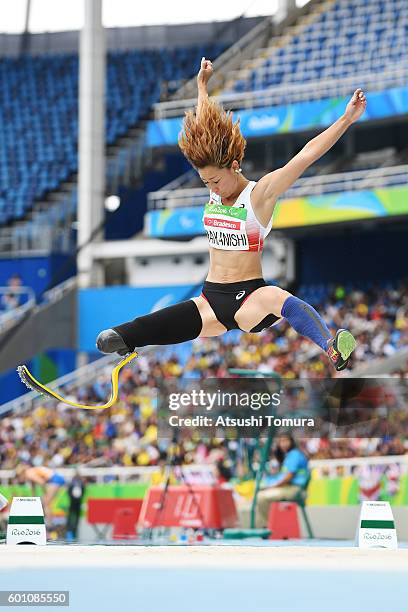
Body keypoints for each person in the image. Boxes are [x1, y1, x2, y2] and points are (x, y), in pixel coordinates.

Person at [96, 58, 367, 371]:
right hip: (210, 300)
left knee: (279, 299)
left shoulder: (259, 195)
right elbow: (205, 130)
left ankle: (331, 346)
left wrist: (346, 119)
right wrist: (201, 87)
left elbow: (306, 155)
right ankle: (127, 341)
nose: (211, 186)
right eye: (205, 181)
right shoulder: (215, 189)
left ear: (234, 166)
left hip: (249, 298)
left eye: (214, 179)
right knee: (118, 335)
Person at [255, 433, 310, 528]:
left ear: (292, 442)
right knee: (261, 492)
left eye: (285, 441)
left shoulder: (295, 454)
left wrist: (273, 486)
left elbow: (289, 476)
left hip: (295, 490)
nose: (283, 444)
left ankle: (269, 527)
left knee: (261, 497)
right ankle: (269, 526)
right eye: (281, 441)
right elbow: (282, 476)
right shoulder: (287, 456)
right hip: (287, 488)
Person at [66, 470, 85, 541]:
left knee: (75, 516)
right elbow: (69, 492)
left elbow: (82, 492)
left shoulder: (80, 484)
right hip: (73, 502)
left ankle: (74, 528)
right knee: (71, 515)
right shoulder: (73, 483)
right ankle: (70, 529)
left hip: (77, 502)